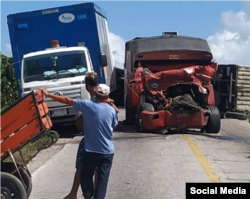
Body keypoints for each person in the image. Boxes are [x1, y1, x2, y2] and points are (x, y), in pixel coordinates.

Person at [40, 81, 118, 199]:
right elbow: (114, 125)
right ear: (107, 96)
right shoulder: (111, 110)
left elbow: (66, 100)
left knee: (86, 173)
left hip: (91, 150)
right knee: (102, 181)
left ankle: (87, 193)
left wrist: (49, 94)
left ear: (95, 94)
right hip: (107, 152)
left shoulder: (87, 105)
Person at [64, 72, 119, 199]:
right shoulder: (102, 94)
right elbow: (115, 112)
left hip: (90, 141)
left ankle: (75, 194)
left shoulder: (94, 98)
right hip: (105, 146)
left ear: (87, 85)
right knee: (98, 171)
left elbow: (69, 102)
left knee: (82, 167)